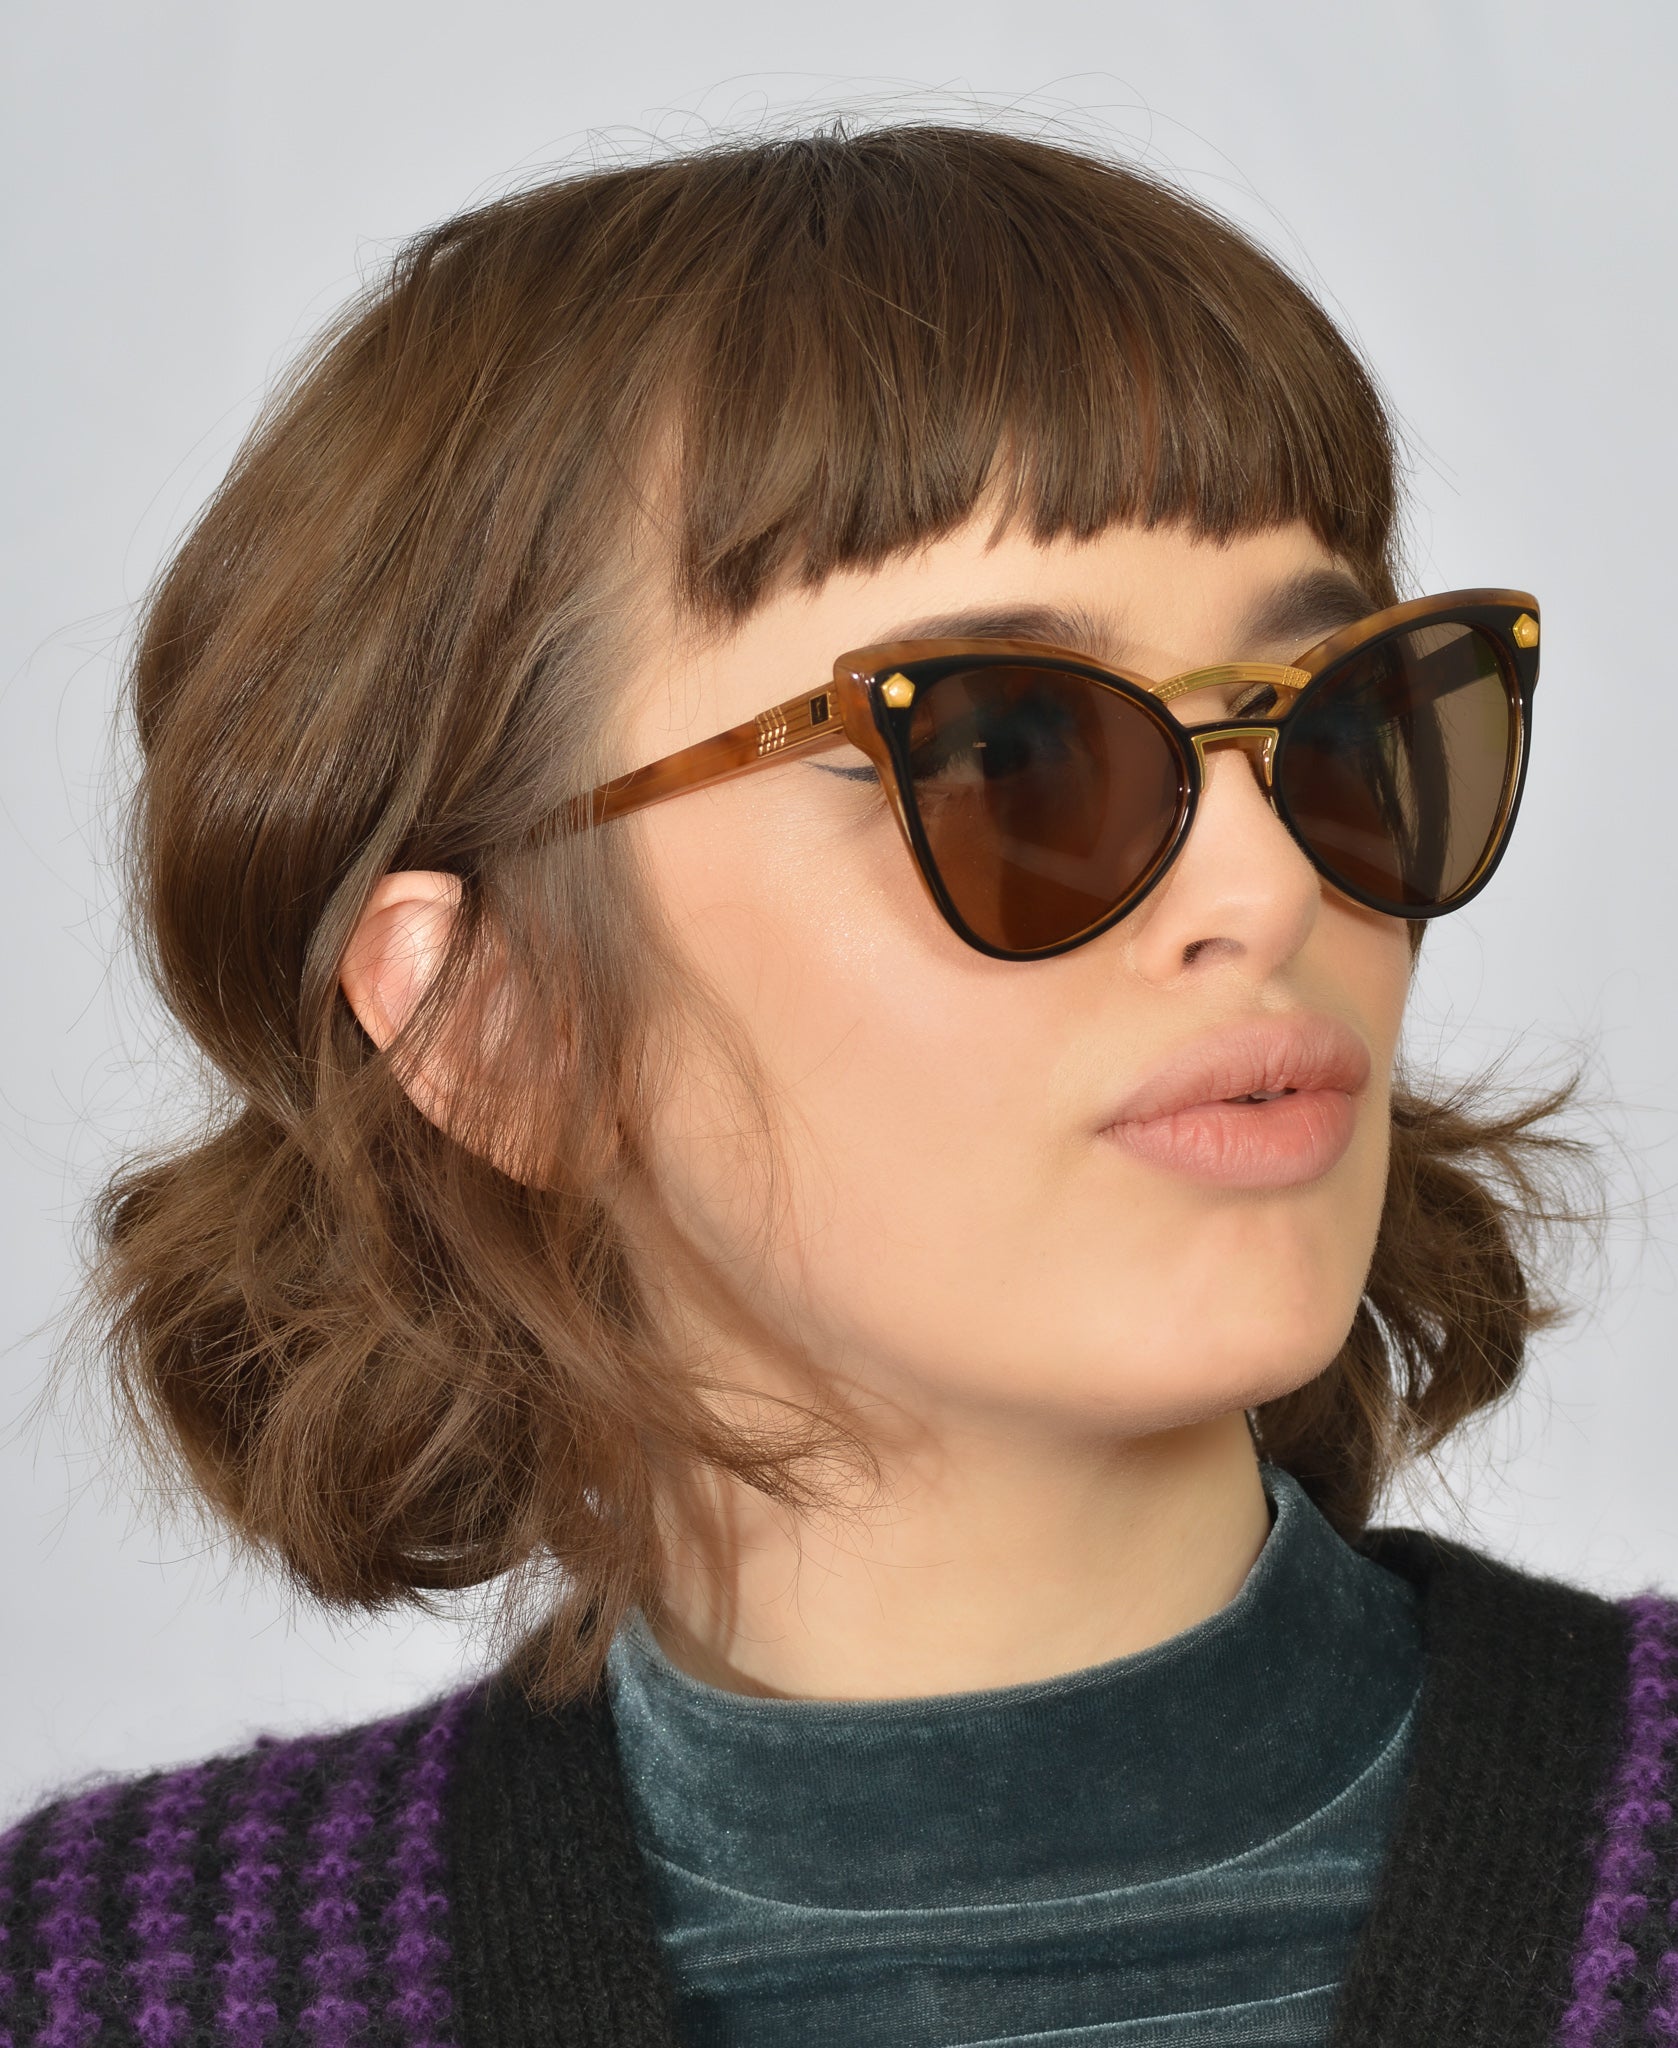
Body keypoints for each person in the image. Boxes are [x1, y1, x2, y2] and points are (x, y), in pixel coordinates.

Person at [2, 123, 1672, 2048]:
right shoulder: (106, 1987)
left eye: (1335, 722)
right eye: (1005, 755)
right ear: (488, 1025)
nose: (1273, 885)